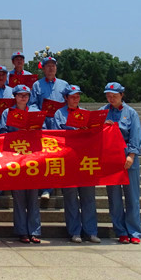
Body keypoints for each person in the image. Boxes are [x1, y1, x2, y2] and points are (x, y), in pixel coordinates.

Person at [53, 85, 100, 244]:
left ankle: (91, 231)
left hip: (85, 160)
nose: (75, 99)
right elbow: (55, 135)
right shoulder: (59, 114)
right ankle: (75, 231)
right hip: (68, 160)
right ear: (65, 98)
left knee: (88, 198)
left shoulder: (86, 113)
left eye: (77, 96)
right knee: (71, 198)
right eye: (72, 96)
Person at [0, 85, 41, 243]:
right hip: (15, 158)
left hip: (33, 159)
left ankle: (34, 231)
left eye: (26, 95)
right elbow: (1, 132)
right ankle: (22, 231)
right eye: (20, 95)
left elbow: (45, 131)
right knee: (19, 197)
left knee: (33, 197)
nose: (23, 98)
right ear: (14, 97)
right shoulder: (7, 113)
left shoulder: (35, 111)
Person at [102, 82, 141, 244]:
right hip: (110, 158)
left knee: (132, 196)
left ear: (122, 95)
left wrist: (131, 155)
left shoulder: (131, 113)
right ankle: (120, 230)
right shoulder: (103, 112)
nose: (111, 98)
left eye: (114, 95)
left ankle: (134, 231)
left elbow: (136, 135)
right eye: (108, 95)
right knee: (114, 197)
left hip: (127, 157)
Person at [32, 55, 71, 199]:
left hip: (60, 124)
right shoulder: (37, 85)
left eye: (53, 65)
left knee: (59, 155)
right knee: (45, 156)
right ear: (43, 69)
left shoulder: (64, 84)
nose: (50, 68)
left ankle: (59, 183)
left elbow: (70, 102)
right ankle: (46, 188)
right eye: (47, 65)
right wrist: (40, 114)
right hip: (44, 124)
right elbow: (33, 104)